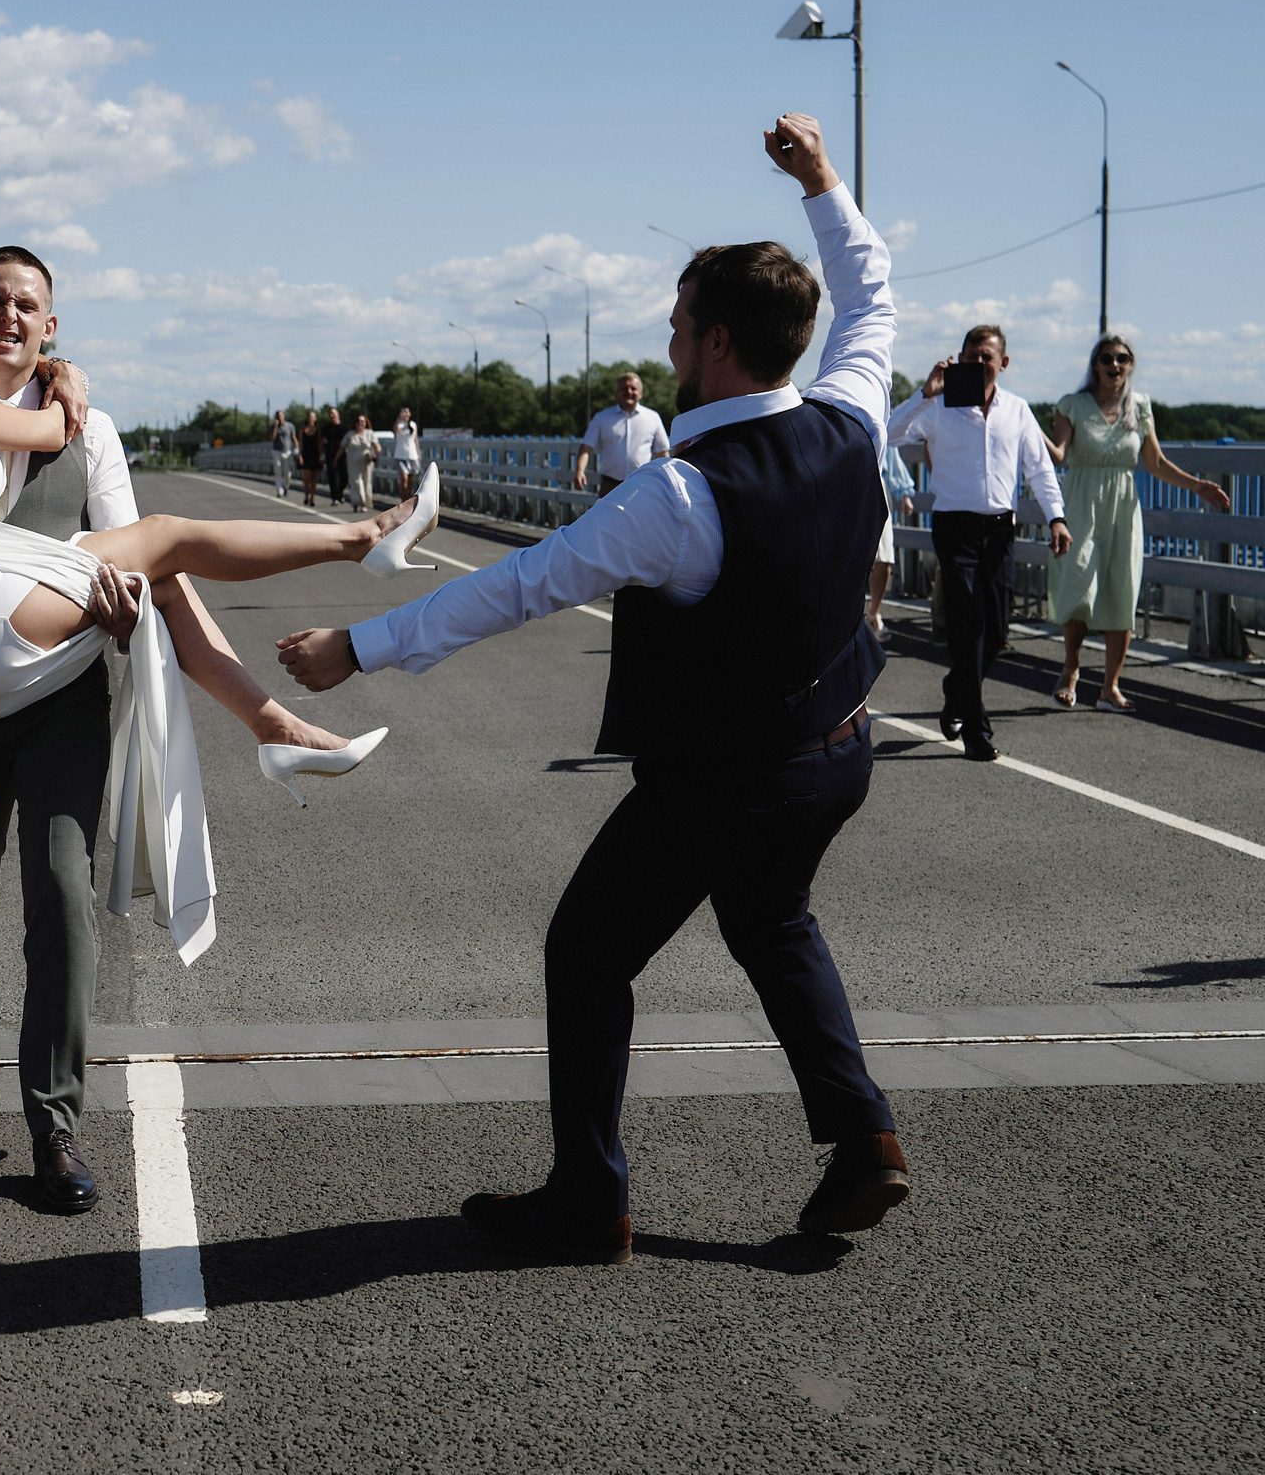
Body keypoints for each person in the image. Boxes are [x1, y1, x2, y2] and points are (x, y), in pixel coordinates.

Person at [279, 115, 911, 1261]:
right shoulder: (853, 417)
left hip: (725, 775)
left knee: (586, 953)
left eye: (676, 322)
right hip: (836, 750)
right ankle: (863, 1135)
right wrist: (821, 179)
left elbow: (519, 584)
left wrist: (358, 648)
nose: (665, 339)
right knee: (770, 918)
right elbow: (871, 296)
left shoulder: (680, 493)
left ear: (716, 341)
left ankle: (588, 1196)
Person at [0, 247, 390, 1212]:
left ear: (50, 325)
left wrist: (128, 622)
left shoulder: (90, 431)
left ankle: (55, 1125)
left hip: (61, 696)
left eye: (23, 306)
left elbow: (148, 568)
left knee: (61, 895)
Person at [887, 324, 1070, 761]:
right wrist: (924, 394)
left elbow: (1039, 469)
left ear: (1002, 363)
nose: (978, 363)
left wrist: (1056, 518)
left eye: (987, 357)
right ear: (959, 358)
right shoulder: (939, 406)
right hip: (954, 527)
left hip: (999, 529)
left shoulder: (1017, 410)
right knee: (968, 624)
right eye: (971, 356)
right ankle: (976, 730)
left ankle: (956, 689)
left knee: (998, 629)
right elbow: (888, 435)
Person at [1044, 336, 1231, 710]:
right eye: (1107, 358)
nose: (1114, 365)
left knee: (1122, 591)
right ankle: (1071, 668)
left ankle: (1110, 688)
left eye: (1122, 358)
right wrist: (1027, 429)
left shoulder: (1140, 407)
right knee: (1079, 587)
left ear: (1131, 365)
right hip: (1082, 505)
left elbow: (1156, 463)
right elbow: (1059, 456)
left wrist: (1197, 486)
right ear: (1095, 364)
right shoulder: (1072, 406)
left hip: (1123, 510)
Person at [573, 372, 670, 496]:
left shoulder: (653, 417)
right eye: (624, 388)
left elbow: (662, 452)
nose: (629, 392)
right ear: (617, 392)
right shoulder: (602, 418)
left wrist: (665, 480)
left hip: (642, 484)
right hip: (610, 484)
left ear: (641, 393)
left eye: (633, 388)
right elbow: (586, 448)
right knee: (606, 510)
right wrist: (579, 471)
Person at [866, 438, 918, 641]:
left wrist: (904, 493)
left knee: (885, 558)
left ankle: (874, 613)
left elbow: (890, 452)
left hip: (876, 487)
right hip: (844, 486)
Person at [343, 413, 382, 512]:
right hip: (353, 461)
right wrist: (336, 459)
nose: (360, 423)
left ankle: (364, 503)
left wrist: (377, 453)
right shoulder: (351, 434)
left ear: (365, 423)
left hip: (366, 459)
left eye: (362, 421)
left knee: (366, 481)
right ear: (355, 423)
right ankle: (358, 501)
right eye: (358, 421)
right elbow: (342, 447)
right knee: (356, 481)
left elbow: (376, 445)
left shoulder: (369, 433)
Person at [322, 404, 349, 506]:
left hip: (342, 454)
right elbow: (321, 441)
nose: (331, 415)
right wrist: (321, 454)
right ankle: (334, 498)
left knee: (344, 477)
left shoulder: (344, 427)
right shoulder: (326, 427)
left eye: (333, 413)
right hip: (330, 453)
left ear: (338, 414)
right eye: (330, 414)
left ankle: (339, 493)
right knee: (332, 477)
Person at [296, 410, 324, 508]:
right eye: (309, 417)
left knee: (313, 478)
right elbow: (301, 443)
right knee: (306, 477)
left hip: (315, 455)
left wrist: (321, 456)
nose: (311, 418)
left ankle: (312, 498)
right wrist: (300, 455)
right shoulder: (302, 430)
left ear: (315, 419)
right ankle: (306, 495)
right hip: (306, 454)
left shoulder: (318, 430)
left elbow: (320, 444)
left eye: (312, 417)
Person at [394, 408, 423, 501]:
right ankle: (403, 499)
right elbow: (395, 430)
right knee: (404, 478)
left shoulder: (413, 424)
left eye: (407, 412)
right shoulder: (399, 424)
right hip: (400, 454)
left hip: (412, 454)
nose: (405, 414)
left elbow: (415, 439)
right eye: (403, 412)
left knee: (411, 479)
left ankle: (408, 499)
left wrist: (418, 453)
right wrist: (398, 419)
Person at [270, 410, 295, 498]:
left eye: (281, 415)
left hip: (287, 451)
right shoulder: (273, 427)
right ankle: (279, 490)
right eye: (278, 416)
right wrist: (275, 427)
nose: (280, 417)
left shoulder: (290, 426)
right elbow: (272, 438)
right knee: (278, 471)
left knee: (287, 473)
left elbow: (293, 437)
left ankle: (286, 486)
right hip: (276, 451)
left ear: (284, 416)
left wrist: (296, 448)